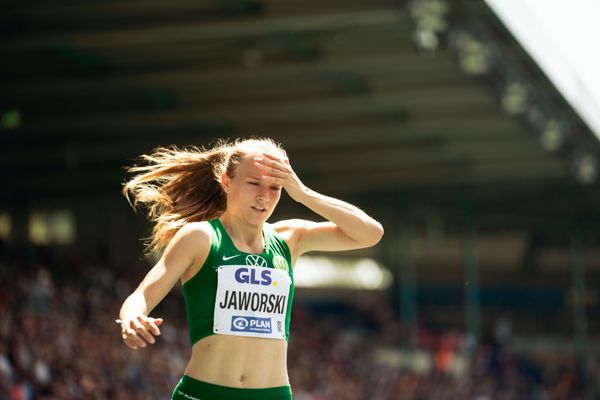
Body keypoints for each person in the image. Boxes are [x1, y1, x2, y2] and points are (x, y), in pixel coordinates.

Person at [117, 137, 384, 400]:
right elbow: (141, 296)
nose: (263, 197)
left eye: (275, 188)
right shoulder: (200, 237)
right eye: (254, 183)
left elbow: (370, 234)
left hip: (273, 394)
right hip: (204, 393)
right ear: (226, 182)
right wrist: (132, 318)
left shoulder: (289, 238)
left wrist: (303, 193)